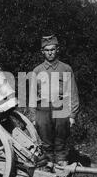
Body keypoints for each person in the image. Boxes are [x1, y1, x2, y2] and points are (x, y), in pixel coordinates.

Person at [30, 34, 80, 168]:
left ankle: (62, 172)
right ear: (42, 52)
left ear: (57, 49)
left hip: (61, 109)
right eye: (47, 50)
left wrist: (72, 115)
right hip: (43, 110)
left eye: (52, 49)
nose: (50, 52)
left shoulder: (66, 68)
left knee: (60, 142)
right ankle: (48, 170)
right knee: (45, 143)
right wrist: (33, 117)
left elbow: (73, 93)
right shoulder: (37, 70)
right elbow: (33, 96)